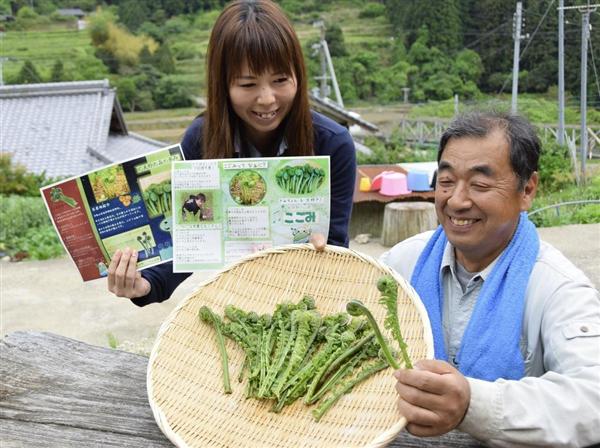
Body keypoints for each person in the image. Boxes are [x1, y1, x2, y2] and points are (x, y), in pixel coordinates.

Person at [107, 0, 356, 306]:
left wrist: (321, 253)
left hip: (305, 301)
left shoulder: (334, 145)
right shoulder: (201, 140)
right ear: (222, 85)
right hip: (235, 299)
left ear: (299, 76)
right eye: (248, 84)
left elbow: (337, 246)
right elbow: (193, 241)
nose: (267, 99)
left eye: (280, 80)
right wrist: (146, 284)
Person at [381, 111, 600, 447]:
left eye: (480, 184)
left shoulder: (557, 287)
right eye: (446, 181)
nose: (457, 201)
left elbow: (592, 398)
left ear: (527, 190)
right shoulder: (401, 263)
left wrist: (472, 403)